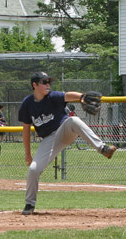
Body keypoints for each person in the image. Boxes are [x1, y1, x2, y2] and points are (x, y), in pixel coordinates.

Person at [18, 71, 117, 215]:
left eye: (49, 82)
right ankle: (29, 204)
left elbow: (67, 95)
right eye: (44, 82)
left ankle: (103, 148)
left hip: (64, 130)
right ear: (35, 85)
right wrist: (27, 154)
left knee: (73, 120)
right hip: (48, 140)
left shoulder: (52, 96)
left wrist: (81, 97)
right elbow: (26, 129)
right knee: (33, 170)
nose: (48, 85)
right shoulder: (27, 103)